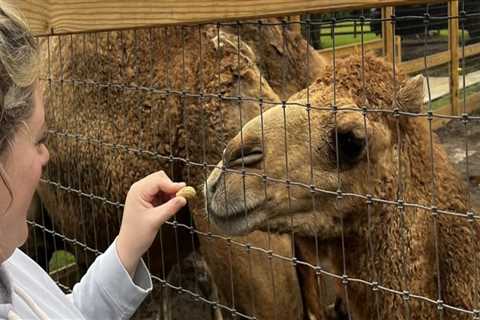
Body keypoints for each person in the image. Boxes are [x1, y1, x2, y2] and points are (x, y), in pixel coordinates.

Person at [0, 2, 188, 319]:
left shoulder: (11, 262)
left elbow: (59, 313)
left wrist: (126, 245)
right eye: (38, 140)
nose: (46, 154)